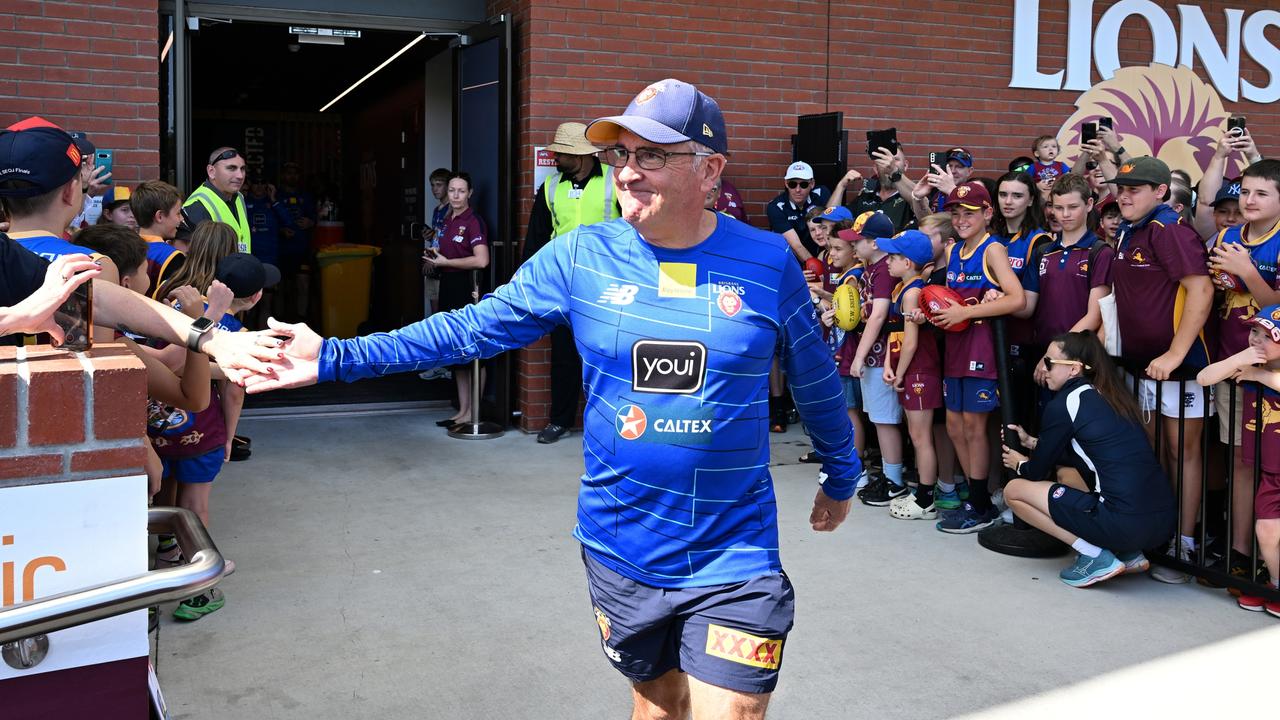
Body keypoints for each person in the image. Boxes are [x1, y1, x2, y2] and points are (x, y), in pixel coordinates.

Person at [245, 78, 861, 718]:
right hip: (622, 542)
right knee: (659, 706)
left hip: (734, 549)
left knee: (732, 712)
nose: (627, 173)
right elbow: (470, 327)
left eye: (651, 155)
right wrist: (337, 357)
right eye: (620, 155)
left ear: (710, 170)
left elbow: (814, 376)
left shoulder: (767, 261)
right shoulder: (579, 257)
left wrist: (840, 475)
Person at [153, 242, 277, 621]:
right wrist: (228, 436)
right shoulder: (231, 331)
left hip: (157, 427)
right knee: (196, 505)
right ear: (255, 297)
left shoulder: (177, 310)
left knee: (163, 497)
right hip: (198, 432)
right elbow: (234, 392)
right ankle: (200, 590)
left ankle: (164, 555)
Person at [1110, 156, 1214, 583]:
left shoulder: (1169, 229)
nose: (1124, 195)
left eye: (1135, 189)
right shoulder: (1129, 230)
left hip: (1181, 366)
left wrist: (1175, 353)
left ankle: (1184, 543)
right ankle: (1160, 532)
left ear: (1160, 192)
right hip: (1144, 365)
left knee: (1181, 453)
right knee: (1157, 452)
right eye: (1121, 188)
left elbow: (1201, 289)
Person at [1002, 331, 1175, 587]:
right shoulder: (1113, 396)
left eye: (1049, 362)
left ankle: (1095, 556)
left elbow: (1035, 472)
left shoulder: (1064, 404)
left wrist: (1019, 462)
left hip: (1124, 523)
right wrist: (1033, 443)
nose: (1043, 367)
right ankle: (1127, 553)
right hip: (1161, 526)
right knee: (1068, 475)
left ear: (1073, 369)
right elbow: (1091, 452)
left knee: (1014, 490)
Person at [929, 181, 1026, 533]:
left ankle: (981, 504)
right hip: (956, 346)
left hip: (982, 348)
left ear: (987, 213)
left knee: (974, 426)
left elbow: (1017, 299)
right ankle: (974, 494)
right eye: (955, 212)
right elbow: (953, 300)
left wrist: (966, 314)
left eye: (969, 212)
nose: (960, 218)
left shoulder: (992, 249)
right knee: (955, 426)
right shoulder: (956, 250)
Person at [1204, 159, 1280, 586]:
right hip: (1233, 363)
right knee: (1241, 461)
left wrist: (1247, 272)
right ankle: (1239, 554)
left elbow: (1278, 304)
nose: (1249, 200)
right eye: (1245, 191)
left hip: (1274, 372)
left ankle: (1271, 562)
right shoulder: (1226, 236)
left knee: (1273, 467)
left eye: (1261, 193)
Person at [522, 122, 621, 444]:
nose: (554, 157)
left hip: (609, 282)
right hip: (564, 285)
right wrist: (530, 279)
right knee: (563, 356)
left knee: (610, 354)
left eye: (560, 153)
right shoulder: (551, 186)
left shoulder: (615, 181)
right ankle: (559, 420)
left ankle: (612, 423)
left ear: (579, 156)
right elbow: (537, 237)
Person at [1197, 305, 1280, 615]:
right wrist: (1237, 359)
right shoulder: (1247, 364)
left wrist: (1259, 373)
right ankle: (1273, 582)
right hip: (1269, 469)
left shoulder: (1262, 371)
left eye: (1267, 336)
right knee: (1267, 530)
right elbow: (1205, 378)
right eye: (1253, 332)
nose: (1255, 340)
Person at [842, 212, 908, 506]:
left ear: (875, 242)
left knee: (884, 420)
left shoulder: (883, 270)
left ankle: (894, 482)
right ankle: (890, 475)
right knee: (879, 419)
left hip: (883, 356)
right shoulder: (872, 267)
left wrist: (858, 356)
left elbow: (879, 314)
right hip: (876, 356)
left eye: (858, 241)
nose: (854, 247)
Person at [882, 230, 944, 519]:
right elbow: (895, 336)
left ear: (908, 262)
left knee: (920, 437)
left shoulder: (913, 293)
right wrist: (889, 365)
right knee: (916, 434)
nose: (887, 262)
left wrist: (900, 374)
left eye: (893, 257)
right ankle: (923, 494)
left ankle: (925, 500)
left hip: (920, 371)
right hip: (911, 370)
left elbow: (911, 341)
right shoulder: (903, 289)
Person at [424, 171, 490, 428]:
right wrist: (436, 257)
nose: (455, 195)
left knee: (474, 351)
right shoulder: (445, 218)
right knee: (456, 352)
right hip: (448, 284)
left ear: (470, 193)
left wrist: (448, 261)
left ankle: (474, 411)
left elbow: (482, 260)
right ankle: (462, 411)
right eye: (452, 190)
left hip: (468, 286)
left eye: (461, 191)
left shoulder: (473, 220)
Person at [179, 147, 251, 252]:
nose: (240, 176)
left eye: (242, 169)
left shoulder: (239, 197)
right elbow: (197, 260)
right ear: (211, 171)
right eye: (231, 168)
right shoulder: (197, 205)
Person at [131, 180, 187, 300]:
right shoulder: (173, 258)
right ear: (160, 216)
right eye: (178, 213)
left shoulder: (125, 245)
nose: (181, 219)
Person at [766, 160, 828, 261]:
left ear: (812, 184)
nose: (798, 190)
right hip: (788, 261)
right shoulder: (776, 207)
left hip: (819, 257)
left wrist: (842, 185)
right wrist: (816, 270)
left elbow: (834, 222)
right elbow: (796, 246)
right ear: (786, 183)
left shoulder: (821, 194)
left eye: (803, 184)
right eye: (792, 184)